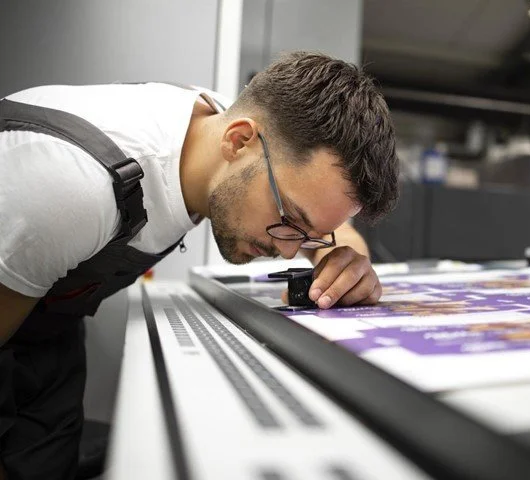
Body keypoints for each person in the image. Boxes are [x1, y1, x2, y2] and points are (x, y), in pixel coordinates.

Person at [0, 51, 398, 479]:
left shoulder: (222, 129)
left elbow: (333, 229)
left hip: (47, 321)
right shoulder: (71, 185)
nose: (288, 252)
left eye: (309, 234)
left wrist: (343, 257)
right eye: (289, 221)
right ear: (238, 141)